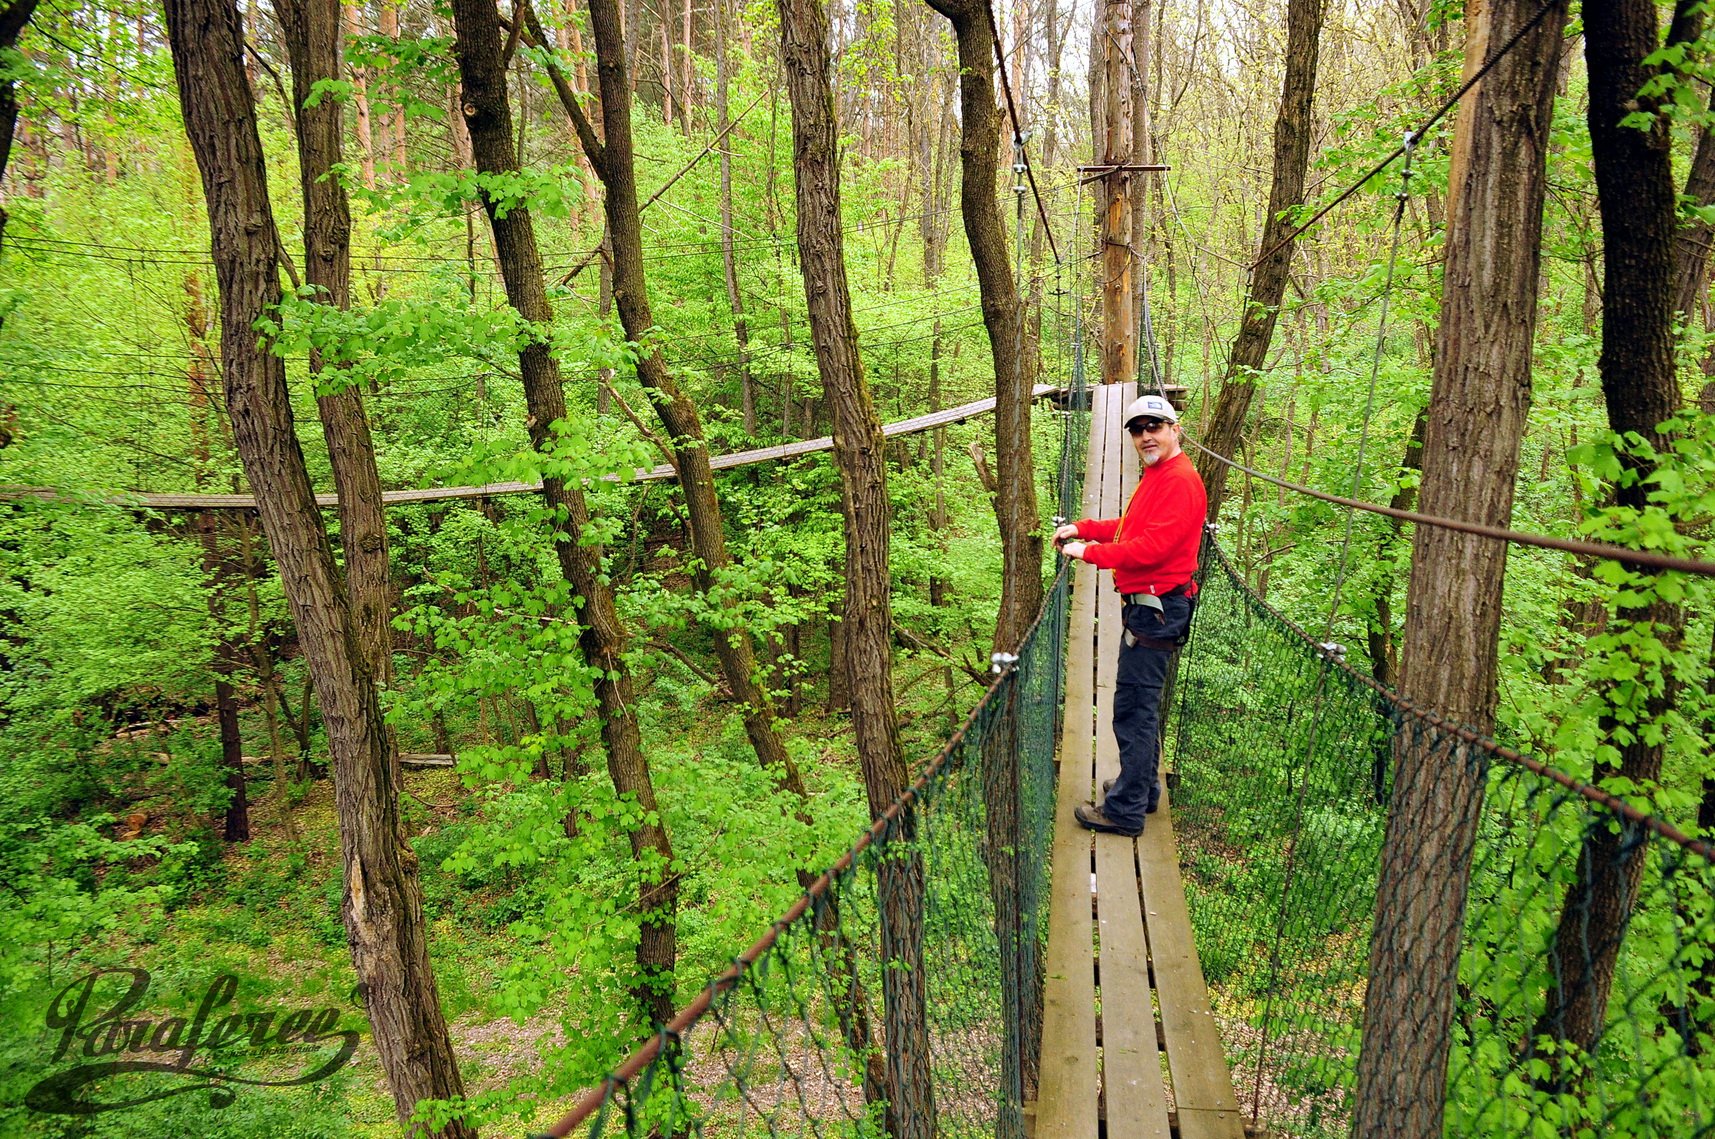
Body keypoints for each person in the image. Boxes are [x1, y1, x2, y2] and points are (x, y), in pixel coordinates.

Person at [1052, 393, 1207, 837]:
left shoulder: (1178, 481)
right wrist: (1084, 528)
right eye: (1137, 429)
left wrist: (1089, 553)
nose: (1145, 436)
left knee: (1133, 708)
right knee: (1141, 705)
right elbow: (1131, 529)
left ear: (1175, 429)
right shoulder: (1160, 474)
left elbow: (1151, 549)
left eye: (1154, 427)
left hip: (1157, 610)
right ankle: (1141, 788)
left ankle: (1125, 811)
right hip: (1154, 607)